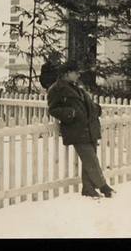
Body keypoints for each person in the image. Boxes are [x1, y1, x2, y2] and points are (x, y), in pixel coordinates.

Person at [47, 62, 114, 198]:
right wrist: (71, 113)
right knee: (91, 159)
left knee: (90, 159)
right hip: (76, 129)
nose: (78, 75)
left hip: (90, 127)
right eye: (75, 72)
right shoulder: (56, 89)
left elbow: (84, 104)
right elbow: (53, 109)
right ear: (66, 73)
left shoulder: (77, 88)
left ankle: (88, 189)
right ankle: (103, 186)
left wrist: (96, 109)